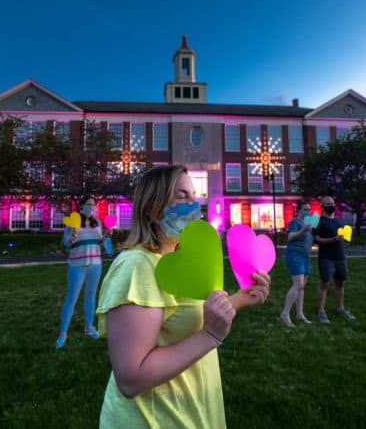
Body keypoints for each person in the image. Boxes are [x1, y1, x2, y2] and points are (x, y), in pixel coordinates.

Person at [97, 165, 271, 429]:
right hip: (152, 420)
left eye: (195, 194)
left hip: (194, 414)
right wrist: (210, 336)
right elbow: (130, 379)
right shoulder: (137, 266)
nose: (195, 204)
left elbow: (189, 317)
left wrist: (241, 298)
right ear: (152, 209)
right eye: (182, 196)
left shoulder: (182, 262)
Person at [56, 196, 104, 348]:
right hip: (78, 264)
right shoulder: (73, 223)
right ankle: (63, 332)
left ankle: (89, 327)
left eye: (93, 205)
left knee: (90, 297)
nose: (91, 207)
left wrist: (105, 240)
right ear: (81, 206)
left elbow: (99, 242)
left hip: (95, 264)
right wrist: (72, 237)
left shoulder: (98, 223)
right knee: (72, 298)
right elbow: (65, 244)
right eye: (88, 204)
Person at [313, 195, 356, 324]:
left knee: (340, 283)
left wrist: (345, 239)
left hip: (340, 257)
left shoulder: (339, 220)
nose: (331, 205)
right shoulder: (318, 221)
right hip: (326, 257)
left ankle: (340, 308)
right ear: (322, 206)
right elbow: (317, 239)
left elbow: (342, 234)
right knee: (325, 283)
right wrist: (332, 239)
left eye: (332, 202)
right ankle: (321, 311)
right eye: (328, 203)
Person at [280, 200, 313, 327]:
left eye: (309, 209)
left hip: (305, 256)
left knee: (302, 287)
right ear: (298, 210)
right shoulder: (295, 222)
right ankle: (284, 313)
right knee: (298, 285)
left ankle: (300, 314)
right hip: (295, 255)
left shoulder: (308, 224)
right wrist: (303, 230)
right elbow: (290, 236)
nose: (308, 211)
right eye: (305, 209)